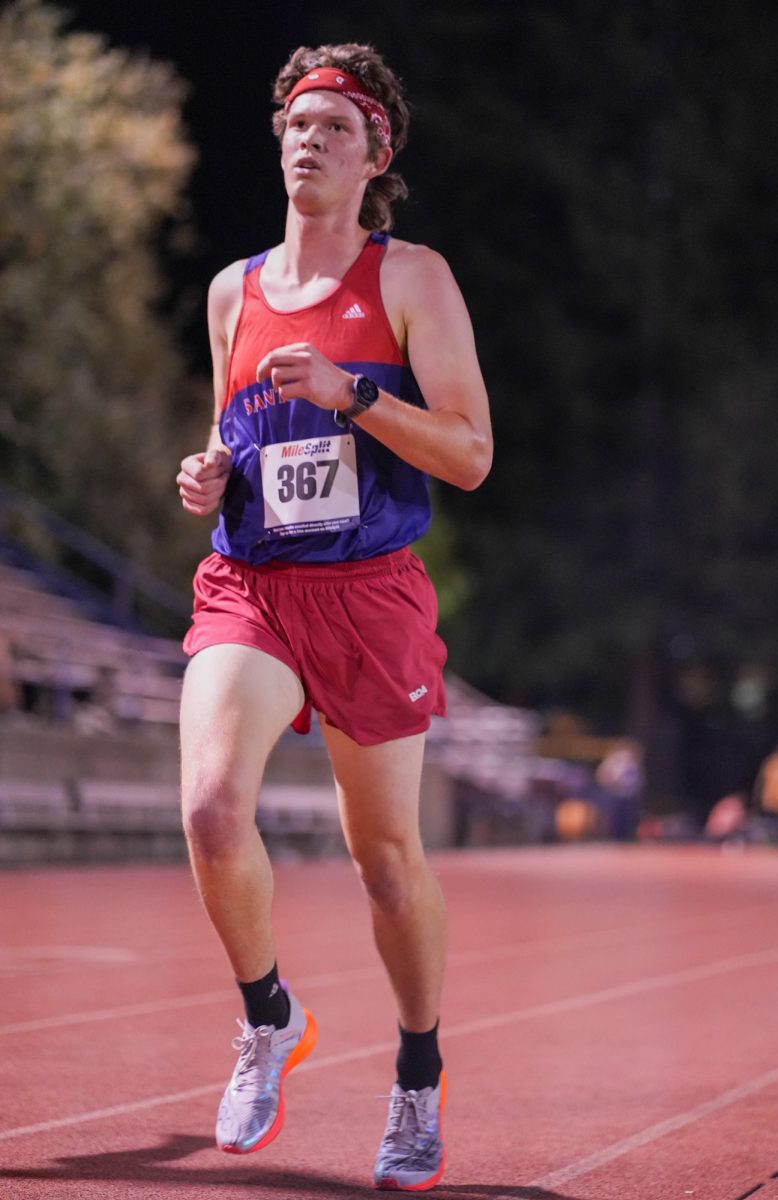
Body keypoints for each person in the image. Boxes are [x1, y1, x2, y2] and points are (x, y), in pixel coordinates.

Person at [176, 43, 492, 1192]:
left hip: (368, 595)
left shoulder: (412, 280)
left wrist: (357, 395)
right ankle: (269, 1018)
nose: (307, 141)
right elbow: (233, 437)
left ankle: (416, 1076)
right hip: (252, 586)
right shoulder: (233, 292)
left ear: (375, 157)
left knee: (386, 861)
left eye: (333, 130)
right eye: (295, 125)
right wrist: (209, 477)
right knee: (212, 808)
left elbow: (469, 455)